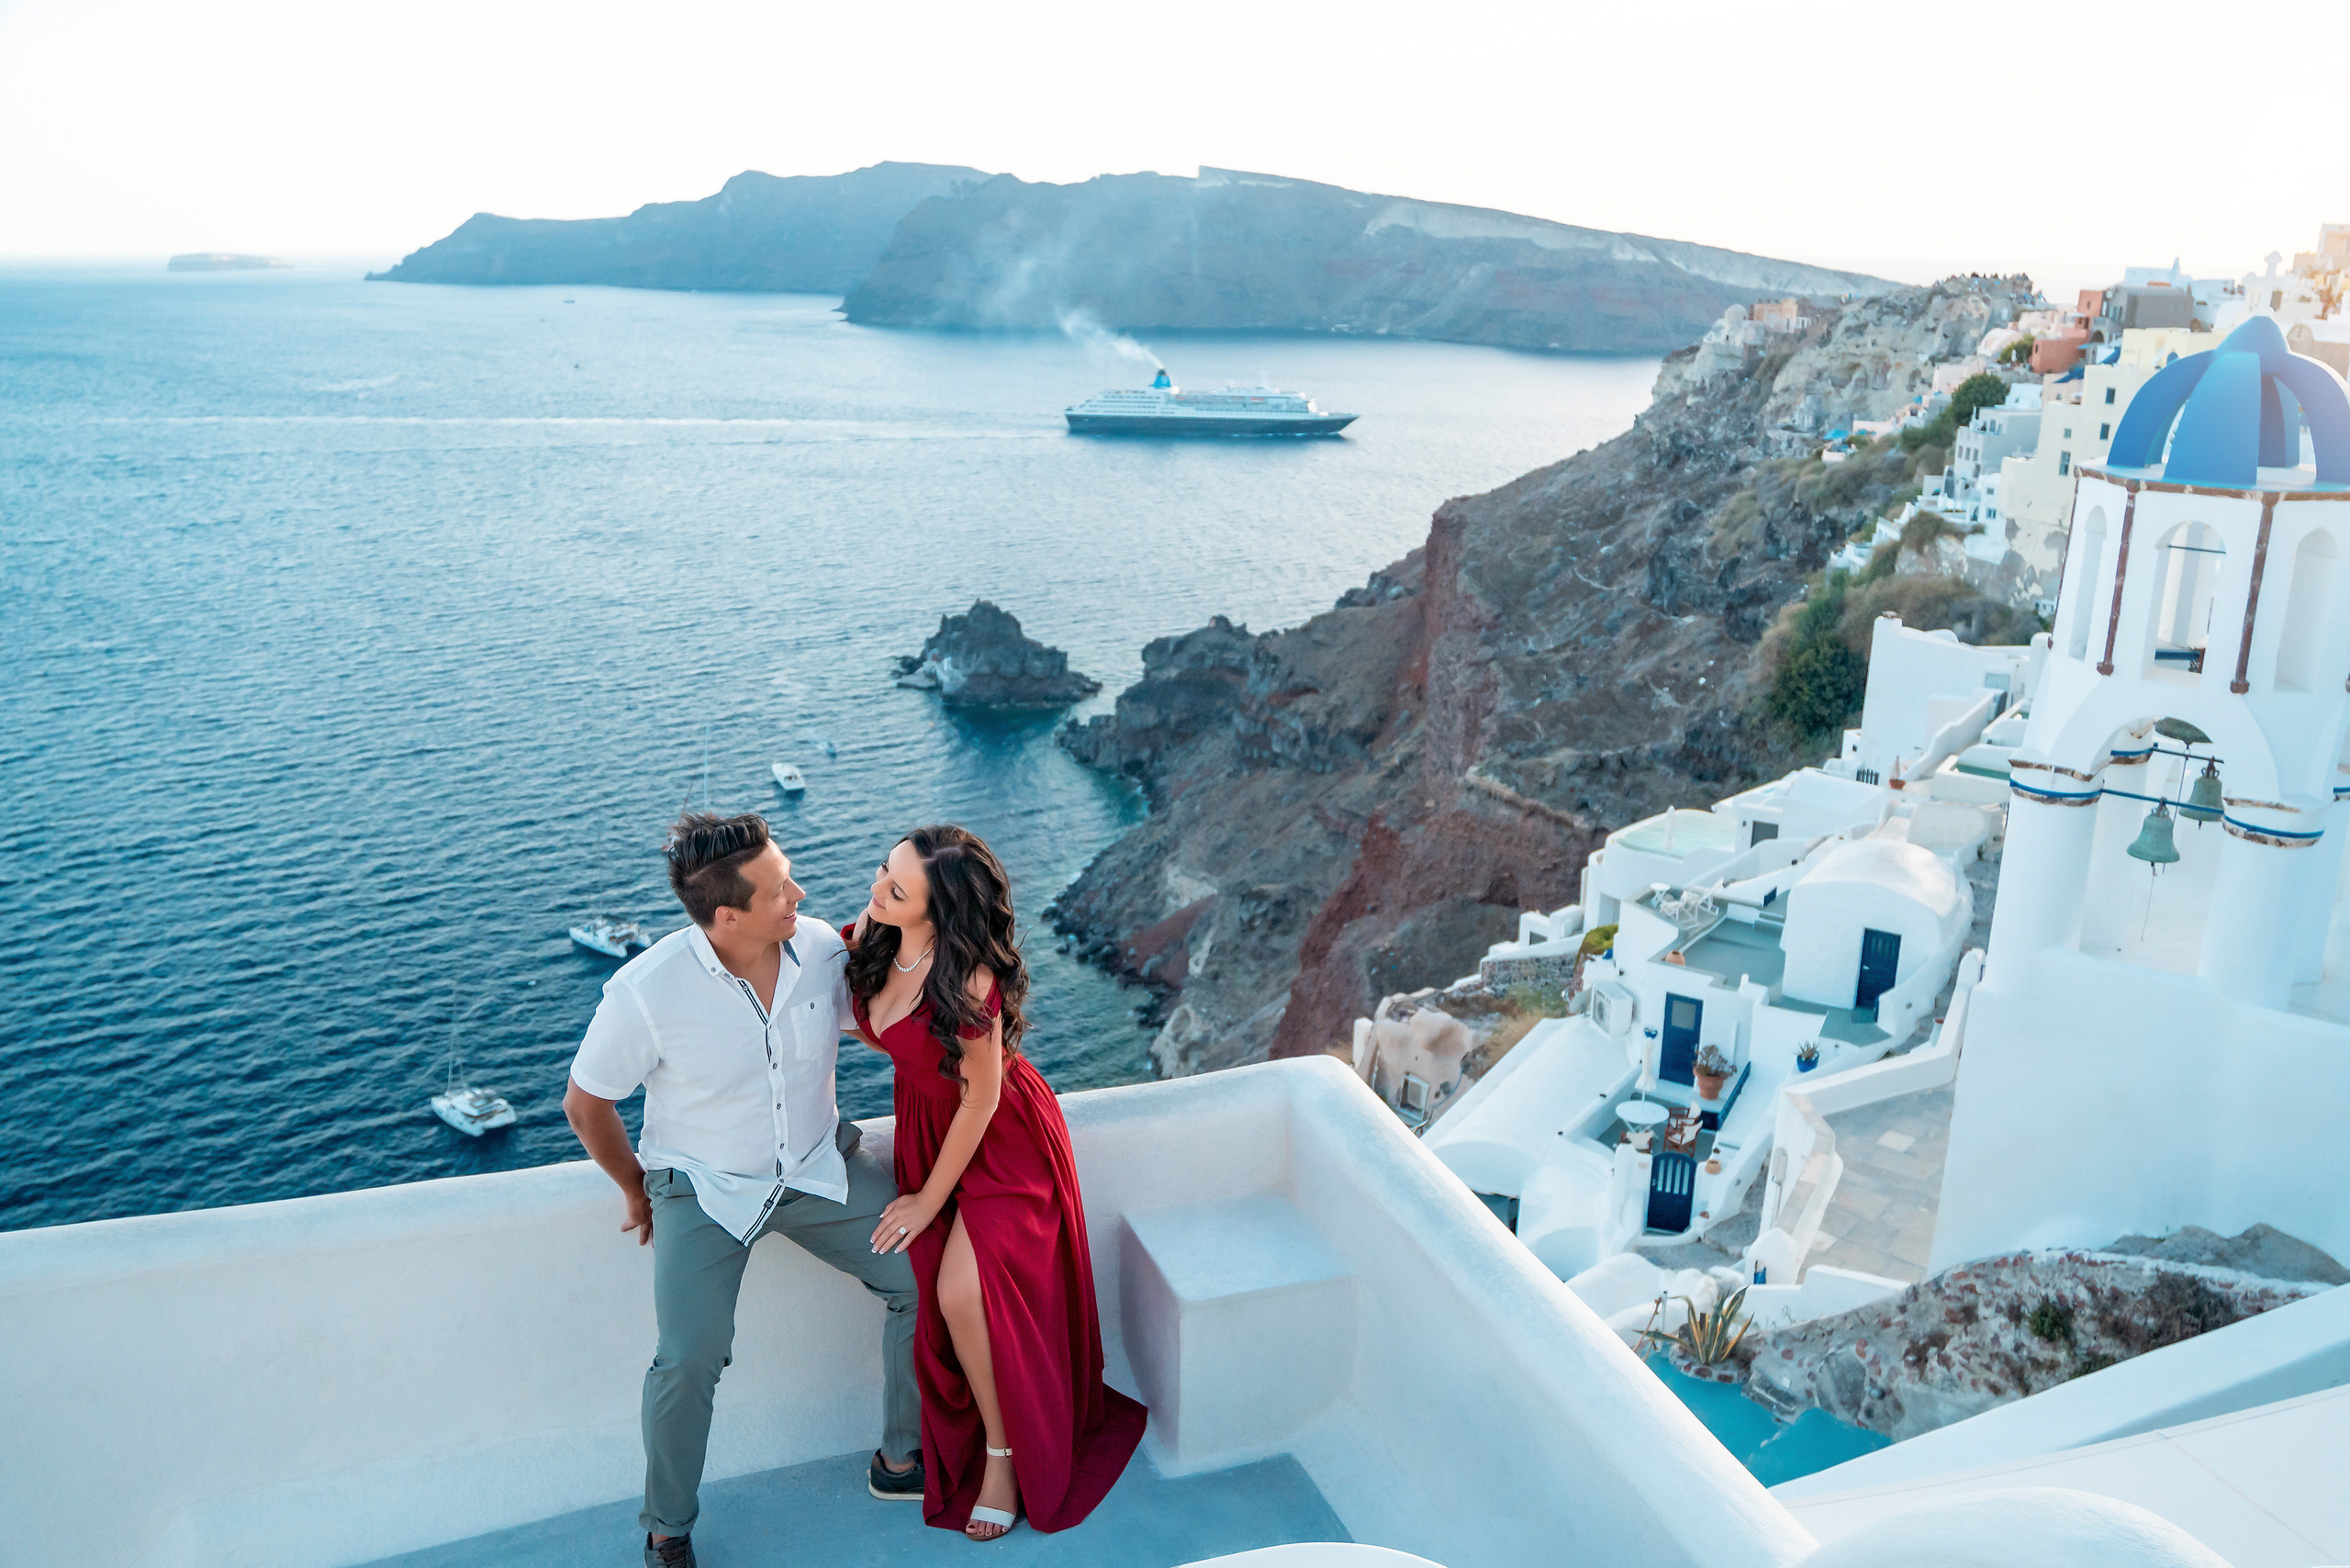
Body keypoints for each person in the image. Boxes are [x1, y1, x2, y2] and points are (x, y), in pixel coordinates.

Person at [564, 812, 923, 1568]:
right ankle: (668, 1530)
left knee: (925, 1277)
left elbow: (886, 1016)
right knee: (689, 1357)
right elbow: (586, 1102)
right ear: (727, 916)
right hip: (703, 1190)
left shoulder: (823, 948)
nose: (799, 891)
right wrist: (636, 1187)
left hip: (819, 1172)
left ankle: (902, 1460)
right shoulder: (646, 991)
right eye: (778, 888)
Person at [844, 824, 1146, 1540]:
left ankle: (1003, 1459)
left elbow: (980, 1099)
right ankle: (992, 1436)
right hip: (929, 1130)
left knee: (954, 1293)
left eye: (897, 887)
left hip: (1002, 1144)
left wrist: (926, 1198)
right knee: (936, 1290)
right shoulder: (872, 937)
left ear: (940, 910)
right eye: (885, 871)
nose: (878, 888)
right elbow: (878, 1029)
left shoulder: (970, 976)